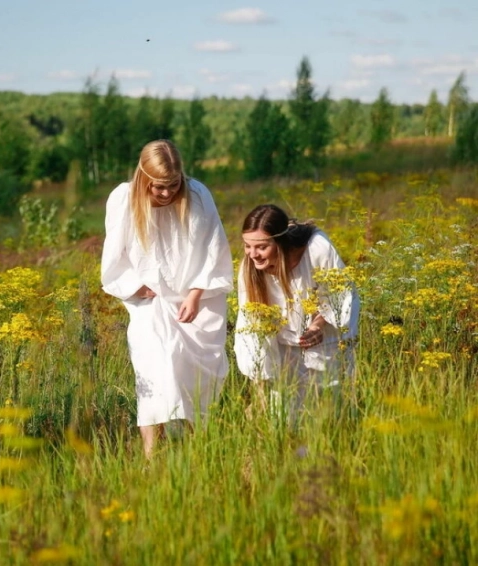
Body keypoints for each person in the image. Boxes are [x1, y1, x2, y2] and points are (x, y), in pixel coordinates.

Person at [100, 139, 234, 458]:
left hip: (198, 300)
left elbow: (214, 248)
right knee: (153, 370)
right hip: (149, 304)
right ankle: (152, 455)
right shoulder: (123, 199)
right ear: (144, 178)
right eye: (158, 186)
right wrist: (135, 286)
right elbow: (114, 254)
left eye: (173, 185)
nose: (166, 193)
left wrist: (196, 293)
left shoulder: (198, 195)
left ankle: (199, 448)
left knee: (195, 377)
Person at [233, 204, 360, 420]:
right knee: (283, 417)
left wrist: (318, 325)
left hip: (325, 344)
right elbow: (252, 326)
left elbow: (339, 295)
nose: (253, 254)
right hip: (282, 350)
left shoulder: (317, 250)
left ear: (280, 242)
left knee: (328, 413)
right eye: (247, 246)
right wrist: (259, 384)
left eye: (261, 247)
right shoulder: (250, 268)